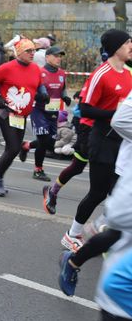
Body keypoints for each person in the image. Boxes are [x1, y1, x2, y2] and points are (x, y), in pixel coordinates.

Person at [60, 29, 132, 253]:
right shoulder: (101, 73)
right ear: (116, 47)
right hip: (102, 141)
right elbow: (85, 108)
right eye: (128, 42)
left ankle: (108, 234)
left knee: (118, 192)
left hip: (121, 142)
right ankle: (72, 234)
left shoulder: (128, 73)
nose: (131, 46)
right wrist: (115, 113)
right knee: (98, 192)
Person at [61, 85, 132, 301]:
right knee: (117, 226)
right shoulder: (106, 73)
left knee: (117, 230)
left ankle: (75, 259)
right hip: (122, 166)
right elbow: (119, 120)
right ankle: (75, 252)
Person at [0, 38, 45, 196]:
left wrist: (43, 94)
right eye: (28, 51)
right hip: (7, 113)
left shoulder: (36, 69)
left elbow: (40, 84)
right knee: (13, 148)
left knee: (12, 149)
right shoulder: (7, 67)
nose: (32, 54)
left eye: (33, 50)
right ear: (19, 52)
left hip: (22, 115)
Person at [18, 46, 71, 182]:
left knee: (50, 143)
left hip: (53, 111)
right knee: (42, 140)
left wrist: (65, 97)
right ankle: (38, 170)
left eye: (60, 56)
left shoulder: (61, 73)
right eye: (56, 55)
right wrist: (39, 96)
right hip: (39, 110)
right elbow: (30, 91)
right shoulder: (39, 72)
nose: (59, 58)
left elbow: (62, 89)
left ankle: (26, 146)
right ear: (47, 57)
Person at [42, 82, 93, 214]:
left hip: (114, 135)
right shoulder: (102, 74)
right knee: (78, 168)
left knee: (105, 184)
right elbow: (82, 108)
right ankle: (53, 192)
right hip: (90, 130)